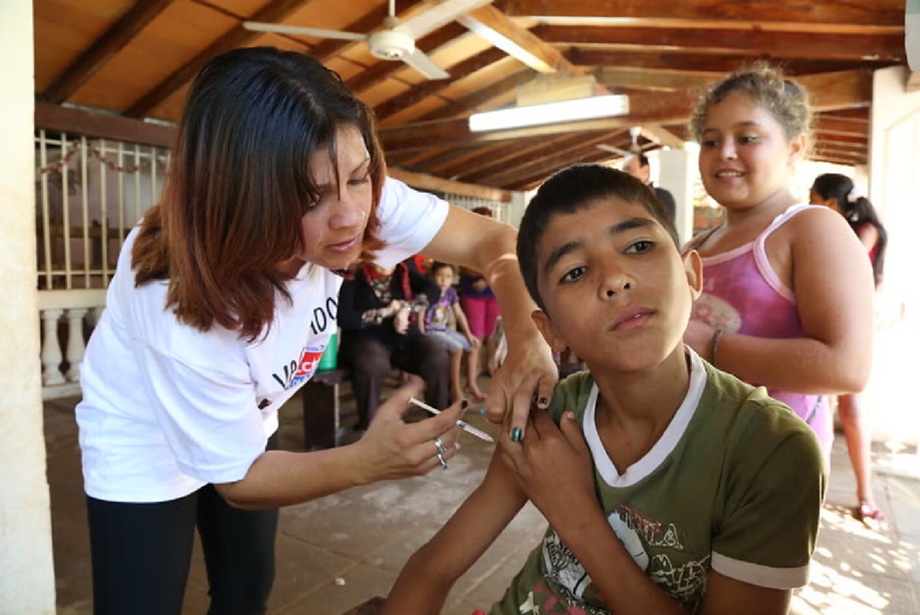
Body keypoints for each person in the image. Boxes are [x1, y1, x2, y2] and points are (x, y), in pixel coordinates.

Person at [74, 46, 557, 615]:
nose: (351, 215)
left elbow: (493, 241)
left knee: (246, 589)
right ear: (243, 195)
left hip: (246, 421)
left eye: (359, 177)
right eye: (311, 197)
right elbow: (239, 481)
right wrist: (364, 461)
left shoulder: (354, 198)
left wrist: (525, 334)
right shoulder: (175, 296)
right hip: (144, 446)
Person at [384, 165, 827, 615]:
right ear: (551, 331)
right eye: (575, 272)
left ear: (691, 276)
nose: (615, 279)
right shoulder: (552, 414)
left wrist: (575, 513)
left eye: (639, 246)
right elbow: (434, 568)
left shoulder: (769, 452)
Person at [682, 62, 875, 461]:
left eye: (747, 137)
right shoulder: (695, 246)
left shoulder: (812, 228)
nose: (725, 152)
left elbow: (847, 367)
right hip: (695, 457)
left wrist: (710, 345)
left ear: (794, 147)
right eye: (710, 141)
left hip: (773, 465)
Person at [810, 172, 888, 526]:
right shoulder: (830, 228)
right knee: (822, 407)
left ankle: (865, 495)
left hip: (853, 328)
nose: (808, 204)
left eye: (813, 198)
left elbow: (847, 271)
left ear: (829, 202)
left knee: (852, 409)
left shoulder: (864, 230)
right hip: (827, 323)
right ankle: (816, 487)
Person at [337, 261, 447, 430]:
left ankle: (439, 425)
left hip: (403, 339)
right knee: (373, 363)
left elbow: (433, 289)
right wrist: (385, 312)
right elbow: (344, 317)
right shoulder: (353, 272)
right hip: (366, 339)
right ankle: (370, 429)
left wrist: (407, 308)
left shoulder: (403, 267)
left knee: (436, 354)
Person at [458, 206, 502, 401]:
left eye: (488, 219)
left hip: (493, 293)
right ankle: (471, 380)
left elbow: (503, 264)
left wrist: (485, 276)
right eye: (481, 218)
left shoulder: (496, 241)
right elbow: (464, 265)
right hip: (472, 295)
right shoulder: (464, 240)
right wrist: (487, 273)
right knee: (475, 337)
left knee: (491, 335)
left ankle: (490, 366)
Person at [423, 261, 481, 403]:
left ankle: (471, 383)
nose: (444, 280)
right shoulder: (428, 292)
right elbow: (420, 313)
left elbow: (459, 314)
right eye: (440, 276)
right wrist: (420, 334)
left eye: (448, 276)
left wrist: (469, 335)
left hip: (443, 330)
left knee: (474, 345)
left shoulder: (450, 293)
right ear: (432, 276)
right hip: (430, 330)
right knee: (457, 348)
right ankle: (455, 388)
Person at [623, 152, 677, 223]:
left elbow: (664, 226)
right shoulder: (621, 197)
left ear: (645, 171)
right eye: (623, 170)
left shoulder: (662, 197)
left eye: (628, 169)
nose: (623, 174)